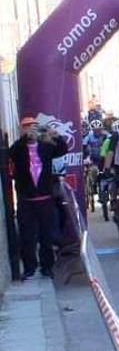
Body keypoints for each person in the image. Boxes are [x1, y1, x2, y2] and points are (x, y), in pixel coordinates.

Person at [9, 118, 69, 279]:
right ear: (21, 130)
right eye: (27, 128)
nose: (31, 131)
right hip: (26, 200)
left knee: (46, 236)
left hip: (45, 198)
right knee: (27, 236)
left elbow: (63, 150)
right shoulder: (19, 148)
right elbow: (11, 153)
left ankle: (47, 267)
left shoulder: (45, 147)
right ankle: (29, 268)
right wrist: (24, 138)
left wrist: (55, 136)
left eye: (33, 127)